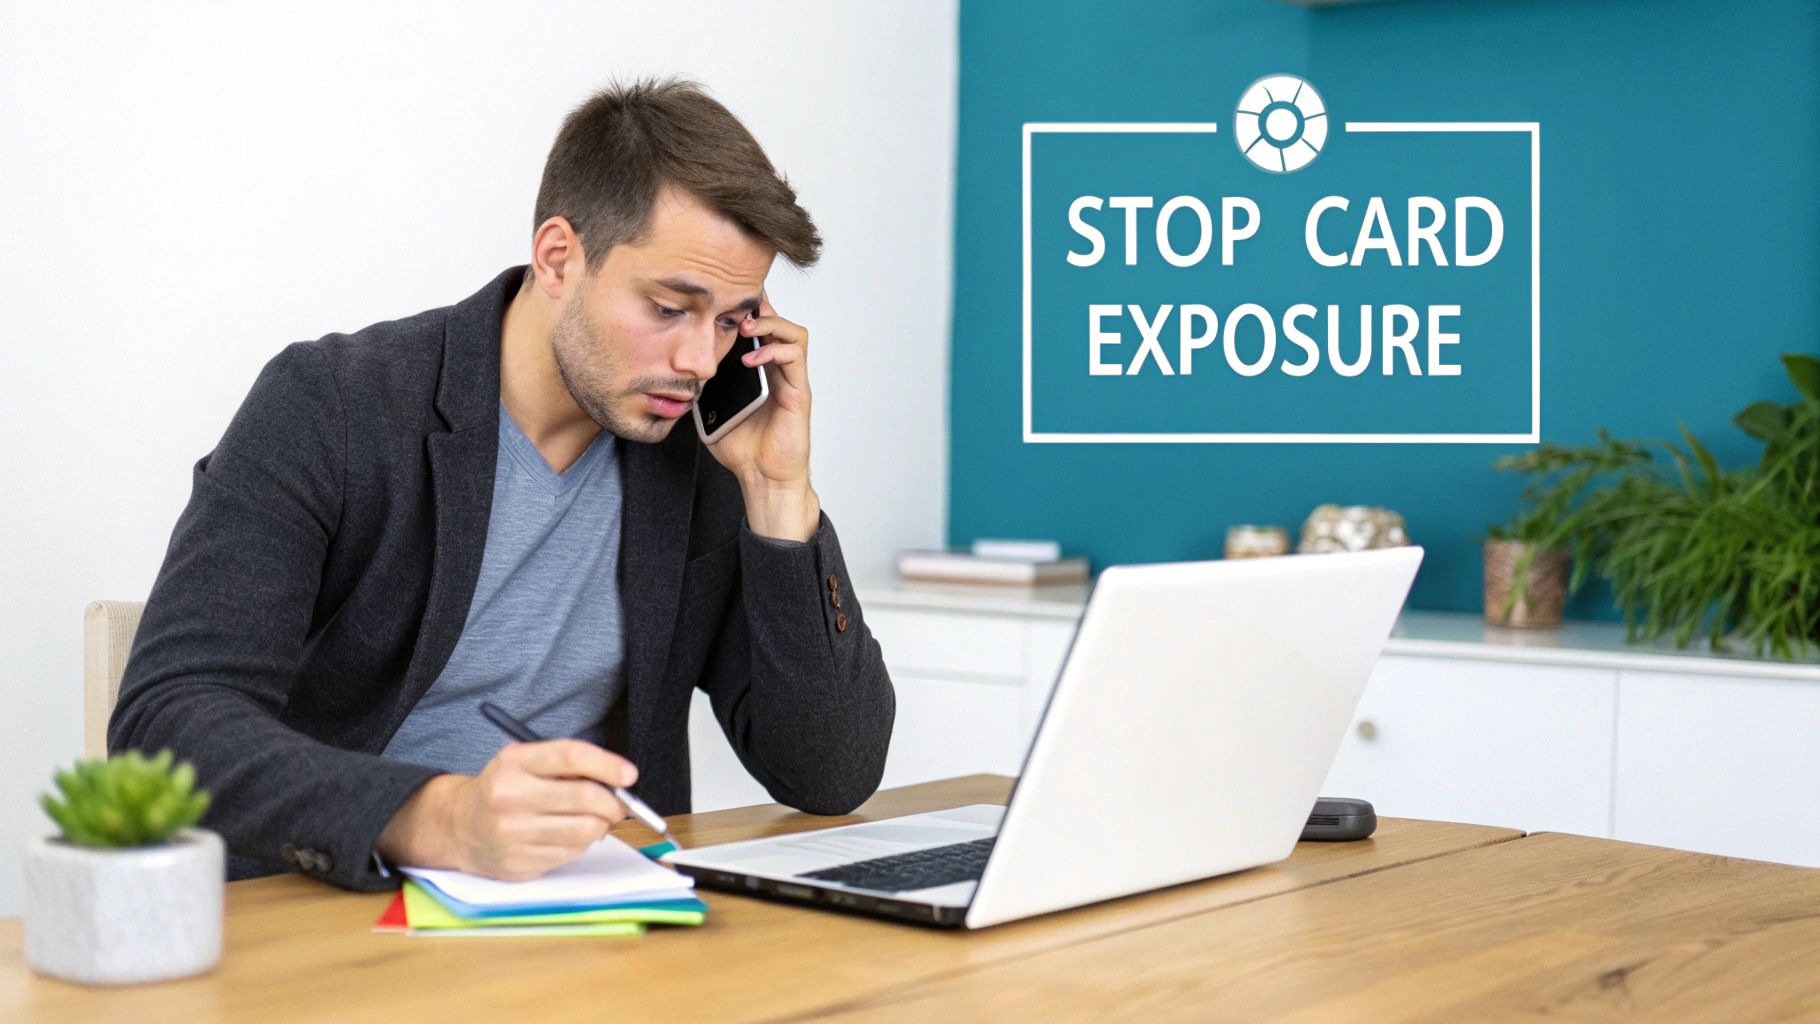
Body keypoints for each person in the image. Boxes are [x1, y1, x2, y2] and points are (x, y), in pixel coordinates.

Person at [109, 76, 895, 891]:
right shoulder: (334, 406)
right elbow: (167, 728)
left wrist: (778, 497)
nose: (701, 362)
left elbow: (830, 774)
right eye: (669, 307)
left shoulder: (700, 454)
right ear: (558, 257)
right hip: (333, 914)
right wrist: (439, 818)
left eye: (733, 320)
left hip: (591, 927)